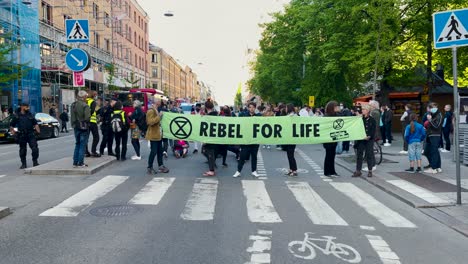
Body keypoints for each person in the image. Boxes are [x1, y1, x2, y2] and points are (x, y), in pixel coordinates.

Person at [233, 102, 261, 178]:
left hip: (255, 140)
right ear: (248, 108)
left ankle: (254, 171)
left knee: (254, 156)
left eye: (253, 107)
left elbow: (269, 120)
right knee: (242, 156)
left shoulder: (259, 116)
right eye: (250, 107)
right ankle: (238, 171)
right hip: (246, 140)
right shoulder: (243, 115)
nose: (251, 108)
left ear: (255, 108)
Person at [9, 102, 40, 169]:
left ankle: (35, 161)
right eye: (27, 107)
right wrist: (14, 134)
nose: (28, 108)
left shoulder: (30, 115)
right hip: (22, 135)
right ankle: (23, 164)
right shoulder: (17, 116)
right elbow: (11, 125)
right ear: (22, 107)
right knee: (22, 150)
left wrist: (38, 131)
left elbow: (35, 123)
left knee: (35, 148)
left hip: (30, 134)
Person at [146, 98, 169, 175]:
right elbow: (150, 122)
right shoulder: (151, 111)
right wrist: (159, 116)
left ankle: (161, 166)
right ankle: (149, 167)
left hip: (158, 134)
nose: (161, 102)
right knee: (153, 151)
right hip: (153, 135)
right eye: (159, 101)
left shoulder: (156, 109)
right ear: (156, 102)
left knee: (160, 151)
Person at [352, 104, 376, 178]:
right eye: (362, 109)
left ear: (368, 111)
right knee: (359, 155)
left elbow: (373, 130)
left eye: (364, 109)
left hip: (369, 140)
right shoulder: (360, 119)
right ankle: (358, 170)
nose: (362, 111)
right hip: (361, 139)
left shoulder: (372, 120)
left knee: (369, 155)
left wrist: (369, 136)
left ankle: (370, 170)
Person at [70, 90, 91, 168]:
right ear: (84, 96)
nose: (86, 97)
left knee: (77, 144)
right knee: (82, 145)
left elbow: (72, 117)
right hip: (83, 127)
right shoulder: (85, 105)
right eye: (86, 96)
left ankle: (75, 162)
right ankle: (81, 163)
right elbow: (87, 117)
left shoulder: (73, 105)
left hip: (76, 126)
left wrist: (74, 125)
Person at [424, 102, 443, 174]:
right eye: (430, 108)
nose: (431, 109)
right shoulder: (433, 114)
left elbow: (436, 126)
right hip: (430, 135)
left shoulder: (439, 115)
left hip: (435, 135)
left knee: (434, 151)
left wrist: (430, 120)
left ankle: (434, 168)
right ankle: (437, 167)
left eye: (432, 108)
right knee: (428, 151)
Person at [323, 101, 340, 177]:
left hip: (334, 138)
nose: (338, 108)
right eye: (336, 107)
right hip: (328, 139)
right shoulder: (326, 116)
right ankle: (327, 171)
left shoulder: (336, 115)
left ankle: (332, 171)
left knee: (332, 155)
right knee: (328, 155)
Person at [202, 100, 219, 177]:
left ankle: (211, 170)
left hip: (209, 137)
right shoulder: (215, 115)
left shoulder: (209, 116)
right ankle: (212, 166)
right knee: (207, 152)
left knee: (209, 152)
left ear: (206, 107)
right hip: (213, 136)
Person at [284, 104, 298, 177]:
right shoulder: (293, 116)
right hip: (291, 138)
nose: (285, 109)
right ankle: (291, 169)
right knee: (289, 154)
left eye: (286, 107)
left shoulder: (292, 116)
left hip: (291, 138)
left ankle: (294, 170)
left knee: (290, 155)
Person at [85, 91, 101, 157]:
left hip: (85, 122)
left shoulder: (85, 101)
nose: (96, 96)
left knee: (86, 138)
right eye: (96, 95)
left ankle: (86, 152)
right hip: (92, 122)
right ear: (94, 96)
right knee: (96, 137)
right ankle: (93, 151)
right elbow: (93, 111)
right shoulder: (93, 102)